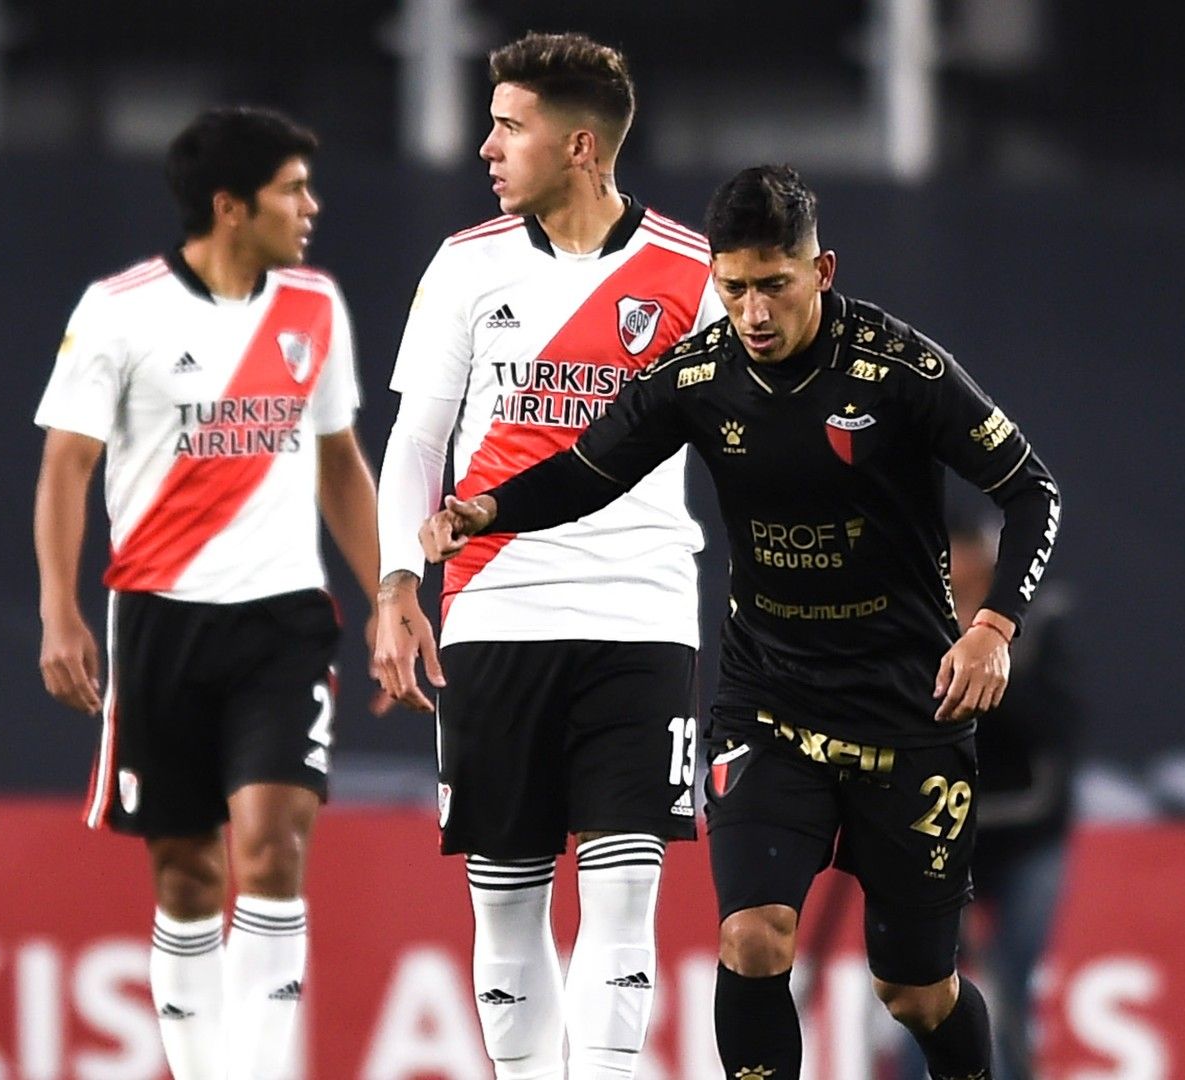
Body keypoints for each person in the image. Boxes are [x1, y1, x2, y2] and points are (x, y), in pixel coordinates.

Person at [421, 164, 1062, 1080]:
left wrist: (993, 626)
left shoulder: (900, 370)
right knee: (752, 940)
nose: (753, 312)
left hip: (906, 711)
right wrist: (488, 509)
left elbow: (1032, 488)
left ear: (822, 271)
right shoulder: (700, 374)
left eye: (774, 285)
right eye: (733, 289)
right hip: (771, 712)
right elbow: (589, 468)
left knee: (914, 990)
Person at [372, 31, 727, 1080]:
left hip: (641, 616)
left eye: (509, 125)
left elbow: (748, 446)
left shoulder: (694, 275)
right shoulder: (465, 267)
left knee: (625, 897)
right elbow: (417, 445)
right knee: (508, 899)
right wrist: (399, 582)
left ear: (579, 147)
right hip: (495, 613)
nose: (486, 145)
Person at [32, 106, 381, 1080]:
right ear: (232, 207)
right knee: (186, 872)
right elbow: (67, 468)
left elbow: (340, 465)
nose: (311, 207)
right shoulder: (120, 309)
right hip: (158, 626)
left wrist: (392, 594)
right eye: (291, 191)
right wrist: (60, 611)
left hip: (283, 626)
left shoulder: (314, 307)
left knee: (273, 849)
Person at [950, 514, 1079, 1080]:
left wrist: (987, 669)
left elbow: (1056, 727)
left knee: (1012, 983)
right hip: (943, 832)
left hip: (1028, 832)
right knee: (931, 990)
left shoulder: (1037, 621)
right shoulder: (906, 622)